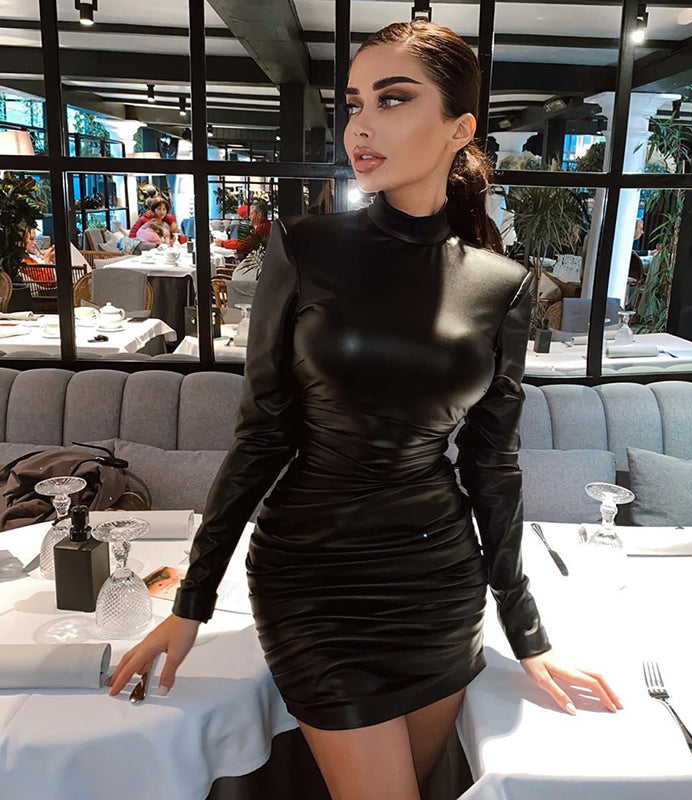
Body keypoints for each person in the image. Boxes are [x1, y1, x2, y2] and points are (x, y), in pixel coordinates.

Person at [108, 19, 622, 799]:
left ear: (460, 129)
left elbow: (493, 465)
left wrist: (528, 633)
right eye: (355, 103)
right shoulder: (305, 248)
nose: (361, 125)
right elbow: (262, 435)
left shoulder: (503, 286)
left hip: (439, 587)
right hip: (314, 581)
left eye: (393, 99)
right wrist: (192, 603)